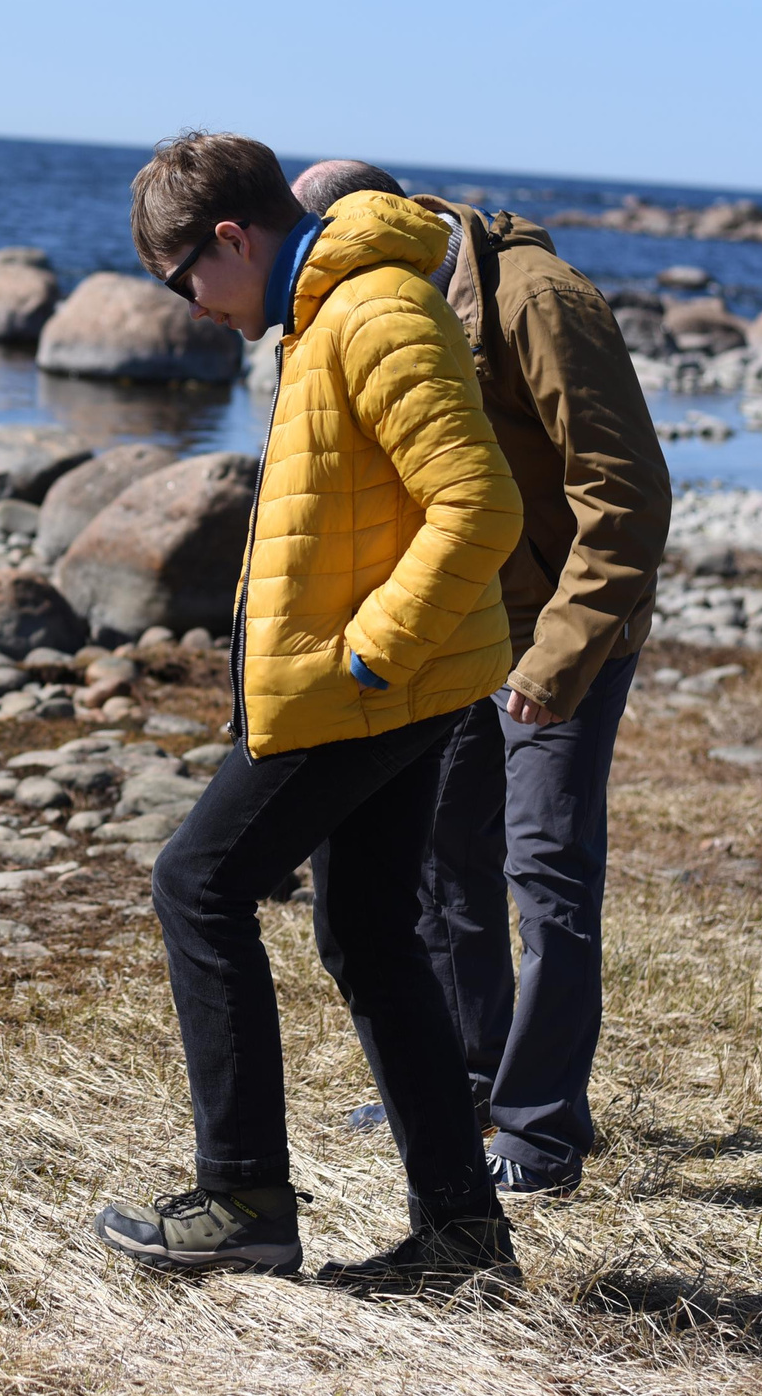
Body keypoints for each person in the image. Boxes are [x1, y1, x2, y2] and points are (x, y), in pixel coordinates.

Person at [89, 132, 525, 1291]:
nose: (188, 306)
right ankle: (463, 1237)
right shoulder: (325, 314)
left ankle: (241, 1194)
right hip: (383, 683)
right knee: (372, 936)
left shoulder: (373, 310)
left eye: (183, 280)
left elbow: (478, 503)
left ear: (231, 239)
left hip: (369, 687)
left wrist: (370, 656)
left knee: (198, 882)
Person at [290, 159, 672, 1196]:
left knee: (544, 869)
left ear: (391, 224)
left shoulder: (538, 299)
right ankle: (458, 1077)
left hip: (564, 627)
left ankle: (541, 1130)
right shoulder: (384, 304)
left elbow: (626, 492)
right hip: (460, 627)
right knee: (438, 856)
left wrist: (557, 659)